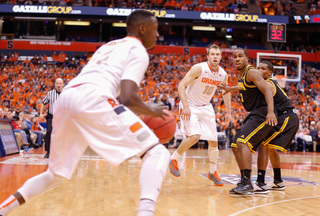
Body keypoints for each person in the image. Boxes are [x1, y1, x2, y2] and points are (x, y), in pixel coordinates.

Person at [0, 10, 170, 216]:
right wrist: (150, 109)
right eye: (155, 29)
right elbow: (127, 97)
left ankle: (3, 209)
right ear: (142, 29)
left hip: (68, 97)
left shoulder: (108, 46)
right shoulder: (138, 50)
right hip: (93, 97)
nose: (158, 34)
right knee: (156, 152)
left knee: (54, 174)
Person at [169, 44, 231, 186]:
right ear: (208, 56)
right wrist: (185, 106)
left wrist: (229, 112)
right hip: (190, 105)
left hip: (206, 107)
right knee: (195, 136)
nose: (215, 56)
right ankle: (174, 158)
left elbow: (226, 92)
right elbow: (181, 86)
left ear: (221, 57)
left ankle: (213, 172)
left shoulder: (223, 74)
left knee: (213, 141)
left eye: (217, 54)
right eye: (212, 54)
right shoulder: (199, 68)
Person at [220, 48, 278, 195]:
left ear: (247, 59)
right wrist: (230, 88)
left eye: (240, 56)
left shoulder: (252, 72)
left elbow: (267, 91)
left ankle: (247, 183)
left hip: (264, 113)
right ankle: (244, 179)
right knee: (234, 143)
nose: (237, 59)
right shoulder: (242, 75)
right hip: (256, 113)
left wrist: (270, 112)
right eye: (234, 57)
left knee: (241, 141)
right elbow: (243, 86)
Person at [254, 61, 299, 193]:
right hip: (287, 117)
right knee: (270, 148)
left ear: (270, 73)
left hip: (287, 117)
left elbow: (248, 88)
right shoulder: (269, 83)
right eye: (259, 68)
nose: (260, 70)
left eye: (263, 69)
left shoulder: (268, 83)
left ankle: (261, 182)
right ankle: (278, 181)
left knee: (263, 144)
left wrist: (233, 88)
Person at [40, 78, 64, 158]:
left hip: (62, 117)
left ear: (63, 84)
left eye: (60, 83)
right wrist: (41, 113)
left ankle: (61, 152)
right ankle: (48, 151)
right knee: (49, 131)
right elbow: (43, 103)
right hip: (51, 116)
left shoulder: (66, 93)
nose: (58, 85)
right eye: (57, 83)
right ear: (55, 84)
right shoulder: (50, 93)